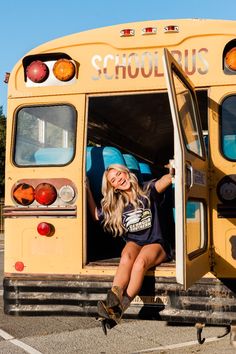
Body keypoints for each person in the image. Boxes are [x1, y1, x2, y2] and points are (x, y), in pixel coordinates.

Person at [86, 163, 173, 325]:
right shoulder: (116, 203)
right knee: (126, 256)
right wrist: (87, 189)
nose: (119, 180)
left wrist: (173, 170)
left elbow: (165, 181)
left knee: (140, 263)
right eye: (114, 180)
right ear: (113, 187)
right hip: (136, 242)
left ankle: (121, 307)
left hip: (156, 242)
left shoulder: (148, 190)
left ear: (126, 173)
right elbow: (97, 216)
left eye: (119, 174)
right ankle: (112, 301)